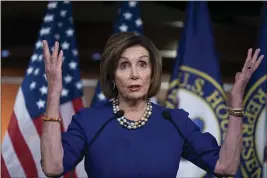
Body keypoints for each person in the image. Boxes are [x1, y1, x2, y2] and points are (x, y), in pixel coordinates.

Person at [40, 32, 264, 178]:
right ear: (112, 75)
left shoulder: (175, 121)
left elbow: (225, 167)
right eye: (124, 66)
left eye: (142, 64)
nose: (135, 74)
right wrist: (54, 94)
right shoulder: (89, 121)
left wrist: (235, 103)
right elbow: (52, 167)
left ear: (152, 72)